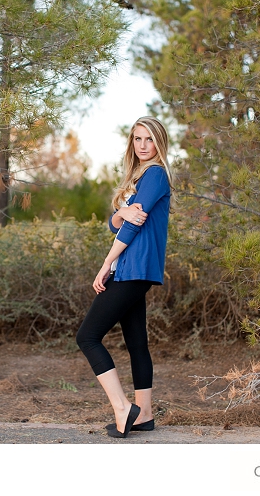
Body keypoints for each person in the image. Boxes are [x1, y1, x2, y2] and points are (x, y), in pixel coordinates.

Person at [76, 116, 172, 438]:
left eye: (150, 140)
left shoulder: (156, 174)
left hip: (132, 269)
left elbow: (132, 225)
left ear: (160, 143)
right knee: (136, 343)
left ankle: (121, 407)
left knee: (87, 337)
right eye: (138, 139)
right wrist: (120, 213)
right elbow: (116, 223)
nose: (143, 146)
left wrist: (105, 263)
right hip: (134, 268)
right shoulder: (141, 177)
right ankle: (143, 413)